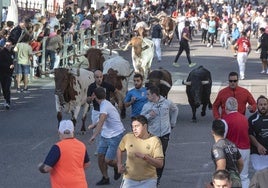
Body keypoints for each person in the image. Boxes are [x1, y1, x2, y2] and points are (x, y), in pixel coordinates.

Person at [141, 85, 178, 185]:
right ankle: (149, 174)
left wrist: (173, 123)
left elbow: (175, 109)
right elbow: (141, 119)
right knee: (150, 155)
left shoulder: (167, 103)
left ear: (154, 95)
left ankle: (158, 177)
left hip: (165, 134)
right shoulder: (147, 106)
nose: (146, 96)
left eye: (148, 94)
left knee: (161, 156)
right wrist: (149, 115)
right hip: (152, 135)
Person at [88, 87, 125, 186]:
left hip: (115, 135)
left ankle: (117, 166)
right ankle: (105, 178)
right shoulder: (104, 104)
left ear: (94, 96)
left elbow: (102, 119)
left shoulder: (105, 105)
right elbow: (101, 118)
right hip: (106, 134)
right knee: (100, 157)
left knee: (108, 160)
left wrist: (94, 135)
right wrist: (94, 125)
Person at [38, 120, 90, 188]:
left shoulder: (57, 147)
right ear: (73, 131)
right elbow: (87, 164)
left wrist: (40, 167)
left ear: (59, 132)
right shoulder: (81, 145)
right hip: (81, 184)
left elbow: (46, 168)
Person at [117, 115, 164, 188]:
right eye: (133, 127)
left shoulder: (155, 141)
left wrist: (145, 157)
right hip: (129, 179)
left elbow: (160, 164)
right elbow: (120, 149)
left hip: (148, 181)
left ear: (145, 126)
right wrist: (119, 164)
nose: (134, 129)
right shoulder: (128, 137)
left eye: (137, 126)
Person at [222, 97, 250, 188]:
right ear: (237, 107)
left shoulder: (225, 120)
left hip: (232, 151)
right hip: (246, 149)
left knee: (230, 176)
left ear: (226, 108)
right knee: (244, 176)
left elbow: (222, 139)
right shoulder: (244, 119)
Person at [211, 119, 244, 188]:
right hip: (236, 180)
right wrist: (235, 175)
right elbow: (241, 163)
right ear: (224, 131)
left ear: (212, 132)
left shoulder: (217, 147)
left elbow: (221, 166)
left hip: (225, 182)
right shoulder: (232, 144)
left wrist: (213, 184)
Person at [248, 95, 268, 171]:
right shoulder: (252, 119)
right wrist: (258, 145)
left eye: (265, 104)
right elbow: (250, 134)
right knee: (261, 173)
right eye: (261, 105)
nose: (263, 107)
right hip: (257, 152)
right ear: (257, 106)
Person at [0, 41, 14, 109]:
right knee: (4, 88)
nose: (7, 46)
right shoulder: (2, 53)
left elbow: (13, 61)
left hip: (9, 73)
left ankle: (8, 102)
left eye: (9, 45)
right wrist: (8, 66)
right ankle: (6, 99)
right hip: (2, 73)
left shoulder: (12, 52)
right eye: (6, 45)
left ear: (11, 46)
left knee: (7, 88)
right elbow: (1, 63)